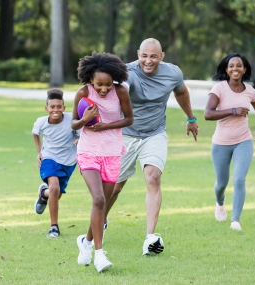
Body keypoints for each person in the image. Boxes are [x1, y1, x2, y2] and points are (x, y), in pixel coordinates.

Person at [105, 38, 199, 256]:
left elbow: (182, 92)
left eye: (153, 56)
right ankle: (101, 220)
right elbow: (119, 90)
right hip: (126, 135)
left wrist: (191, 118)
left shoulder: (172, 73)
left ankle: (150, 237)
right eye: (144, 55)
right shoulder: (126, 72)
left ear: (162, 56)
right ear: (138, 53)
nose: (148, 60)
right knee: (115, 186)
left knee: (153, 176)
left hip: (154, 133)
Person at [72, 52, 133, 272]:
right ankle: (99, 255)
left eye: (108, 84)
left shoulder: (121, 92)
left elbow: (129, 119)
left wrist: (104, 126)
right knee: (98, 199)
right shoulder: (83, 93)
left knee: (103, 205)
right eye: (99, 84)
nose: (104, 89)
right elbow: (73, 125)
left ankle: (85, 241)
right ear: (90, 80)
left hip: (112, 152)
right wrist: (85, 120)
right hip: (88, 151)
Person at [204, 52, 255, 231]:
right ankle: (219, 202)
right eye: (231, 66)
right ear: (227, 70)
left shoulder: (250, 91)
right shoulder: (220, 89)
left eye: (239, 65)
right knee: (221, 183)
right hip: (221, 143)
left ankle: (235, 220)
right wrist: (233, 110)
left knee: (239, 180)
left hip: (243, 141)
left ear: (244, 69)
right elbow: (208, 114)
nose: (235, 69)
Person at [33, 89, 79, 238]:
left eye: (59, 107)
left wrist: (79, 141)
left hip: (68, 161)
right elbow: (35, 133)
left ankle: (43, 194)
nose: (56, 110)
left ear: (64, 108)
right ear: (46, 109)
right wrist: (39, 152)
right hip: (49, 158)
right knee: (54, 187)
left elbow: (82, 134)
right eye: (52, 107)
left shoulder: (71, 119)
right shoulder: (41, 122)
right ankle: (54, 227)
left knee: (56, 193)